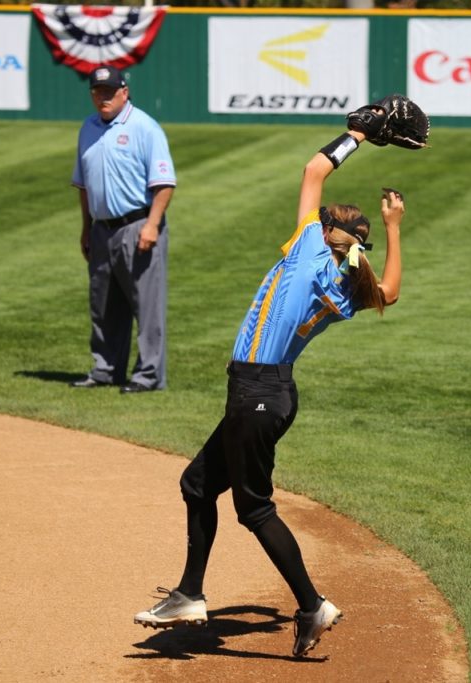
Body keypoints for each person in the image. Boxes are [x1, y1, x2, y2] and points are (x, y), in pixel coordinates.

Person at [133, 122, 405, 657]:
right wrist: (395, 226)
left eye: (318, 219)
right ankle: (190, 592)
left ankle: (311, 604)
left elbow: (313, 170)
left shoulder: (309, 252)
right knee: (197, 485)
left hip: (255, 393)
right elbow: (389, 292)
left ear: (324, 230)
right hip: (271, 394)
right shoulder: (349, 282)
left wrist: (358, 134)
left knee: (254, 508)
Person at [69, 65, 176, 394]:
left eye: (109, 92)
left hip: (138, 224)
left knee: (146, 305)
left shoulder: (144, 127)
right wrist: (87, 228)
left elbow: (164, 183)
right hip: (102, 228)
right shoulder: (88, 128)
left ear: (124, 92)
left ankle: (148, 375)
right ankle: (106, 368)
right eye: (97, 92)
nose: (103, 98)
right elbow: (84, 185)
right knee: (103, 304)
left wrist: (153, 225)